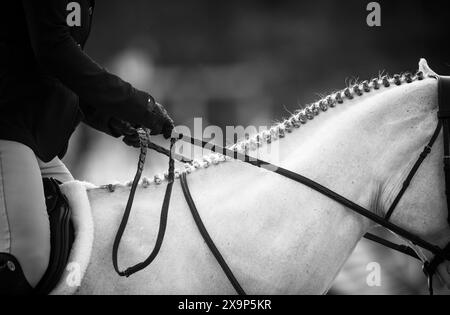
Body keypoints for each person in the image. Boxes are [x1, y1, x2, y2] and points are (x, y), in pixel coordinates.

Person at [0, 0, 174, 294]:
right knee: (28, 261)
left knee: (82, 244)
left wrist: (114, 119)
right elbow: (55, 53)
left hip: (36, 139)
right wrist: (138, 105)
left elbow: (58, 75)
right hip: (9, 127)